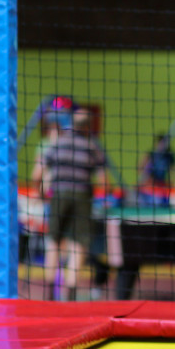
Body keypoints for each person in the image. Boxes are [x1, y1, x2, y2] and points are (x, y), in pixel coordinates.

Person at [31, 108, 110, 301]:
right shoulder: (91, 146)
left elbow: (37, 174)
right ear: (88, 126)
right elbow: (104, 181)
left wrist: (41, 193)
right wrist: (102, 197)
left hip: (59, 195)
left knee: (53, 241)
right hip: (82, 196)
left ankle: (50, 291)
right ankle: (71, 292)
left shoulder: (57, 144)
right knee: (78, 244)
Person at [137, 133, 175, 206]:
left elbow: (173, 171)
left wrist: (170, 183)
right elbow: (140, 168)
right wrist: (147, 179)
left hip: (161, 184)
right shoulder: (151, 155)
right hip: (150, 184)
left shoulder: (169, 156)